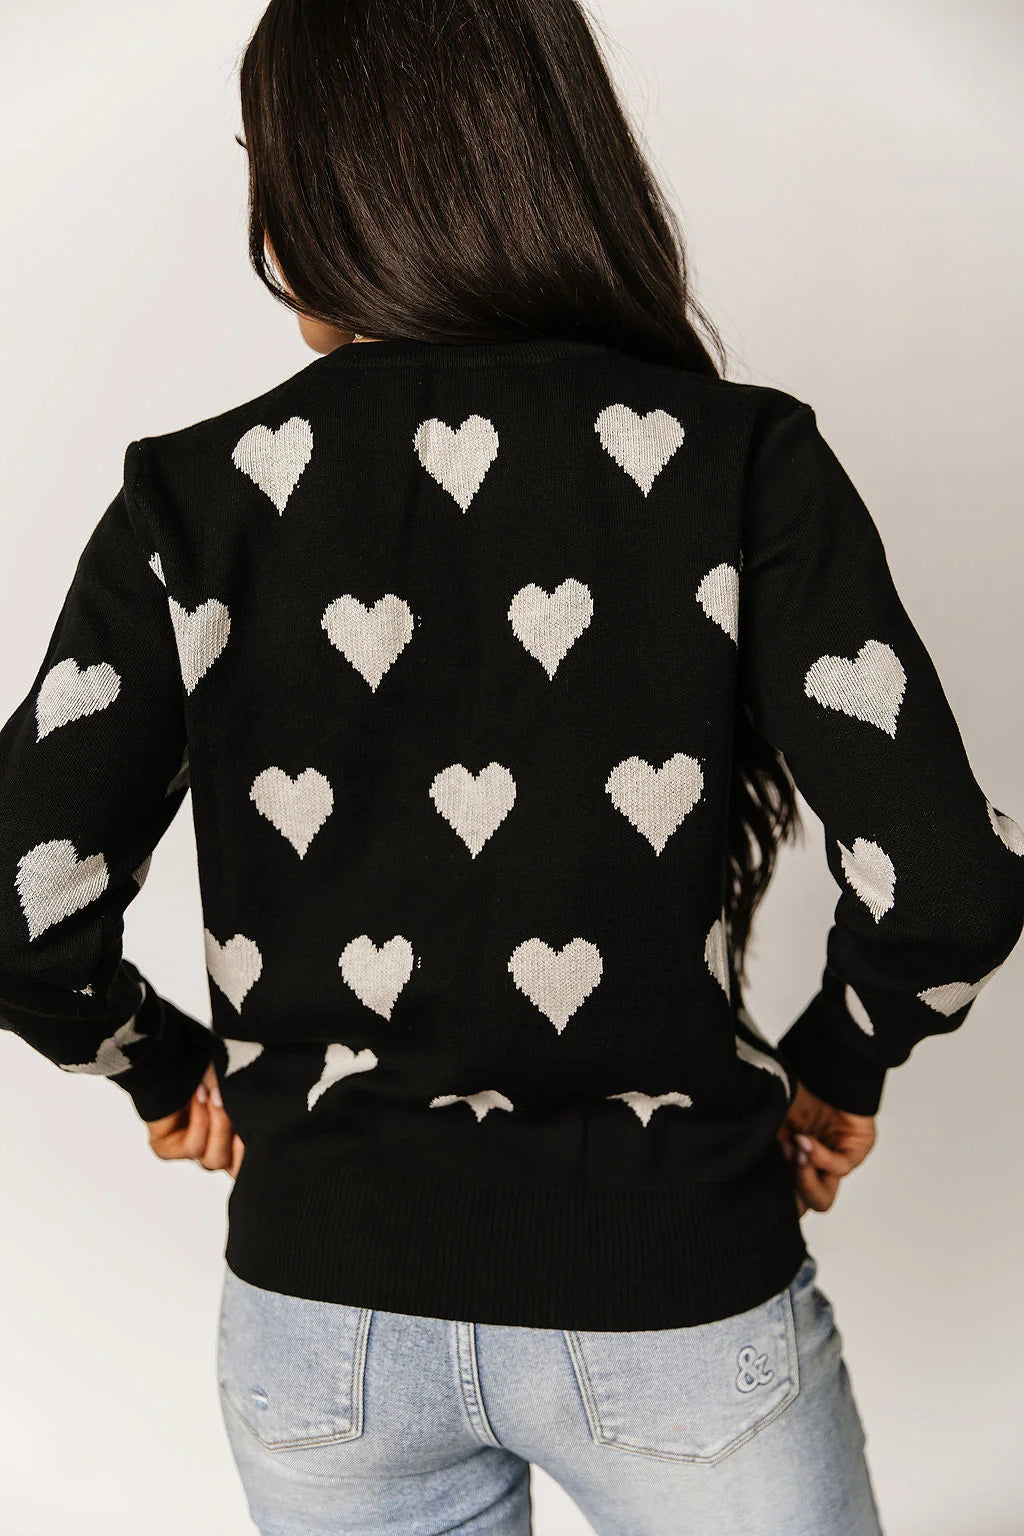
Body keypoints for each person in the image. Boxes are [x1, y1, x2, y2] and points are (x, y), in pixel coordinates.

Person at [2, 1, 1022, 1532]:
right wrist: (837, 1068)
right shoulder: (739, 461)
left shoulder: (195, 502)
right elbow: (946, 881)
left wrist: (157, 1067)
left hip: (325, 1322)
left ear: (317, 189)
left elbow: (19, 901)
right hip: (677, 1298)